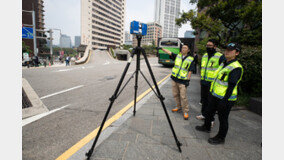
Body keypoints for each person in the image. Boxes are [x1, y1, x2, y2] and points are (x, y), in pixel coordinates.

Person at [195, 43, 243, 145]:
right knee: (208, 112)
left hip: (225, 98)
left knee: (223, 118)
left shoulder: (236, 67)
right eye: (226, 49)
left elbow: (231, 86)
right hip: (215, 95)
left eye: (231, 50)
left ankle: (221, 137)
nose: (227, 52)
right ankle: (206, 127)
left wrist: (225, 101)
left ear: (237, 53)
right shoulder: (224, 63)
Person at [196, 39, 226, 127]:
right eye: (207, 45)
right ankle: (204, 115)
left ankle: (211, 119)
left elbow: (223, 70)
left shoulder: (220, 56)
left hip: (213, 84)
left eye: (210, 45)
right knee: (204, 100)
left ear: (215, 46)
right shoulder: (205, 55)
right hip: (204, 82)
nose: (208, 47)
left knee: (211, 102)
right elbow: (203, 68)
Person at [161, 45, 194, 120]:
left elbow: (190, 71)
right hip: (174, 79)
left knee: (183, 96)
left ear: (188, 50)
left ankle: (185, 111)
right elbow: (170, 53)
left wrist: (188, 80)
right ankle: (178, 106)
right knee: (175, 94)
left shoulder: (191, 59)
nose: (183, 49)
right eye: (182, 48)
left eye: (185, 48)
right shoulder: (178, 56)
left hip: (183, 81)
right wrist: (162, 49)